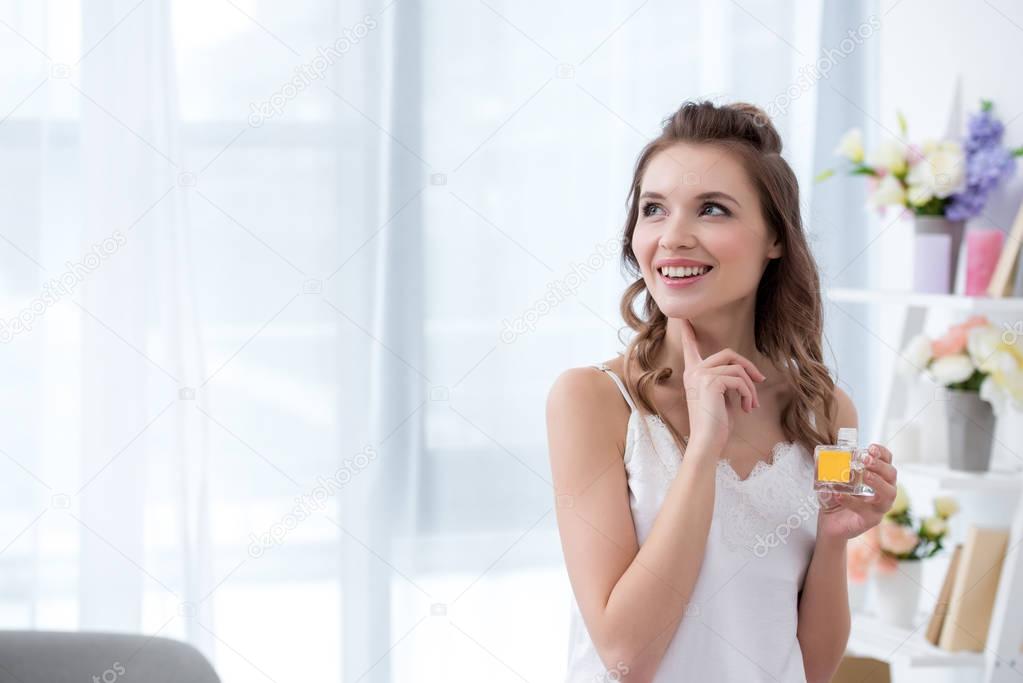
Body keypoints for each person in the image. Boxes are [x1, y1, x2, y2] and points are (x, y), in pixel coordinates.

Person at [545, 100, 898, 682]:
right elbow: (624, 657)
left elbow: (811, 668)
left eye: (711, 209)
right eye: (653, 209)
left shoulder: (826, 412)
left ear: (776, 238)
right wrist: (704, 446)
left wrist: (835, 539)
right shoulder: (593, 400)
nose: (673, 237)